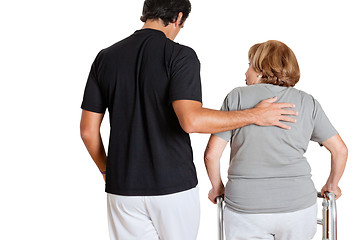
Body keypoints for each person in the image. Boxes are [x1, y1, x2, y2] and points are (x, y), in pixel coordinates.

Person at [80, 0, 298, 238]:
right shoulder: (180, 55)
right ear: (178, 18)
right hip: (173, 186)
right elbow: (191, 121)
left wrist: (106, 170)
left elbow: (88, 131)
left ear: (146, 13)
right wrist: (255, 115)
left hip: (122, 189)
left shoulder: (106, 57)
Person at [204, 40, 348, 240]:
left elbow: (212, 154)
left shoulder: (236, 97)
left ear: (262, 69)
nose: (245, 72)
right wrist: (332, 185)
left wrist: (216, 188)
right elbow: (340, 150)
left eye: (249, 65)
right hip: (298, 207)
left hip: (245, 207)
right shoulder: (308, 102)